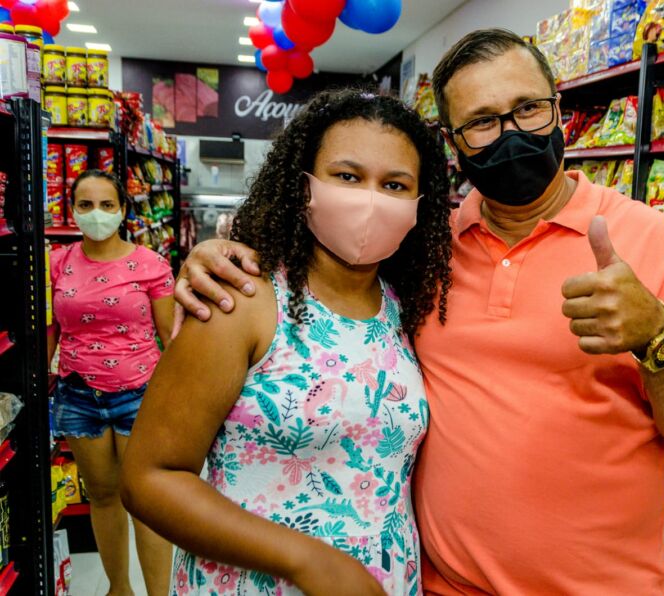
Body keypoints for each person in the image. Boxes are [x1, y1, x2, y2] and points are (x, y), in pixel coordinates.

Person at [172, 30, 664, 594]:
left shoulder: (652, 241)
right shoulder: (424, 250)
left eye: (528, 108)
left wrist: (656, 337)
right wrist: (218, 256)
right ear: (452, 142)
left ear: (559, 110)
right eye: (482, 122)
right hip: (438, 583)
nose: (511, 133)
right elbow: (330, 273)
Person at [120, 89, 453, 596]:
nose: (370, 199)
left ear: (418, 204)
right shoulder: (242, 299)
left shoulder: (405, 308)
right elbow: (150, 478)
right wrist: (307, 562)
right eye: (347, 176)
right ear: (303, 185)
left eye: (394, 184)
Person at [48, 170, 174, 596]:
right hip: (78, 395)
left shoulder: (151, 264)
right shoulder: (55, 263)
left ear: (122, 210)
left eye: (106, 205)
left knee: (144, 500)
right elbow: (50, 332)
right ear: (72, 210)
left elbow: (170, 336)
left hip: (140, 393)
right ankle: (119, 589)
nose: (96, 214)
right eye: (85, 205)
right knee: (102, 496)